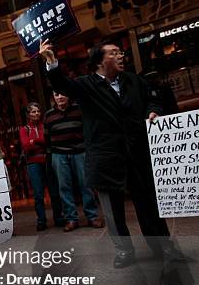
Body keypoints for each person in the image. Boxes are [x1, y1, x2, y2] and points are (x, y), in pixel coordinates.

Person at [40, 39, 182, 267]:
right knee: (112, 210)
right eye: (114, 53)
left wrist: (153, 110)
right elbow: (62, 84)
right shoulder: (86, 85)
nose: (120, 56)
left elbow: (153, 99)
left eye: (120, 52)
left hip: (137, 154)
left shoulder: (134, 81)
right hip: (105, 157)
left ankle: (163, 246)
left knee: (148, 204)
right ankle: (124, 251)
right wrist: (51, 62)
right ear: (99, 61)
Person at [44, 92, 104, 232]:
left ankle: (92, 216)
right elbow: (46, 137)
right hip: (59, 155)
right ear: (53, 97)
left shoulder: (79, 110)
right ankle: (71, 219)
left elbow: (87, 130)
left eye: (62, 94)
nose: (59, 97)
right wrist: (51, 154)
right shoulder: (48, 115)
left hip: (80, 152)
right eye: (56, 95)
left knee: (86, 185)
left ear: (68, 95)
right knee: (64, 188)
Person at [19, 102, 49, 231]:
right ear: (28, 114)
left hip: (47, 161)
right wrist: (39, 141)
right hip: (33, 164)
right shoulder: (24, 129)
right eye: (33, 111)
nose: (36, 113)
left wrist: (34, 141)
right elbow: (26, 146)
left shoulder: (45, 126)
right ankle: (41, 220)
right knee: (38, 194)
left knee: (54, 190)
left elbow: (48, 141)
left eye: (38, 111)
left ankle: (59, 217)